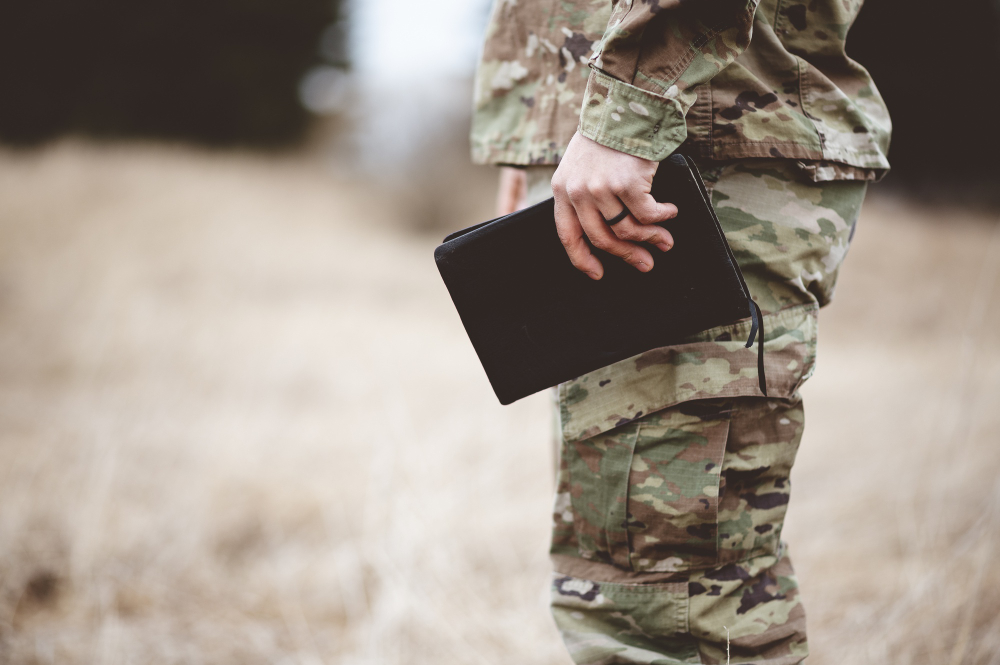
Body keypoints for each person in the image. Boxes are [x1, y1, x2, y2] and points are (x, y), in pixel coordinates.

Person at [472, 0, 891, 663]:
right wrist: (544, 121)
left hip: (695, 143)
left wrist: (623, 115)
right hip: (647, 139)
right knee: (619, 583)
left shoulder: (640, 116)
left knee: (674, 604)